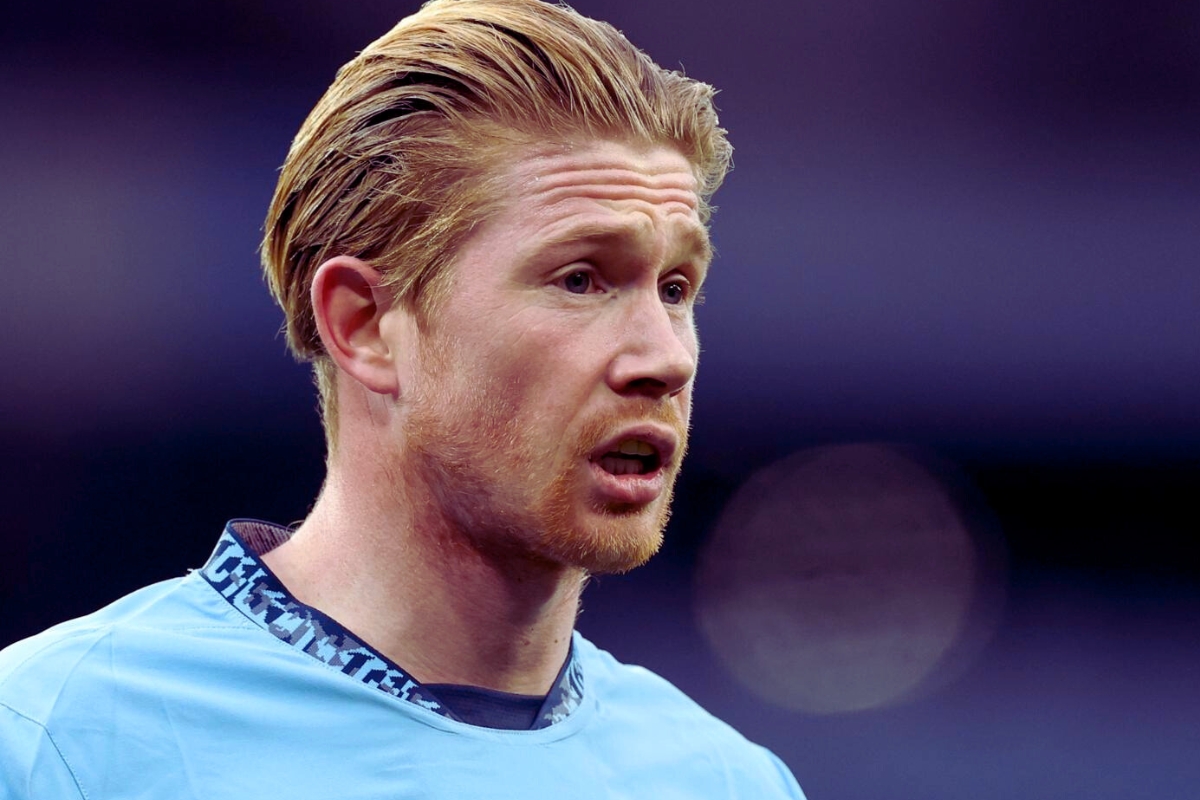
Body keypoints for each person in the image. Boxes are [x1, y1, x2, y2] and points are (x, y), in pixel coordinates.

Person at [0, 1, 805, 796]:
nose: (663, 358)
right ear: (365, 327)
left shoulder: (728, 781)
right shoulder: (52, 742)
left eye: (675, 288)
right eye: (580, 279)